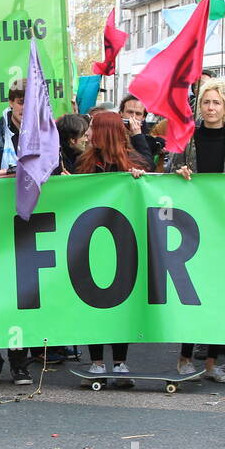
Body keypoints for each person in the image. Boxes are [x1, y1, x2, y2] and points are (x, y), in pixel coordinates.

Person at [166, 78, 225, 383]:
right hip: (191, 225)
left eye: (216, 102)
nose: (211, 107)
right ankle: (185, 356)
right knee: (192, 292)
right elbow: (166, 173)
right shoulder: (185, 138)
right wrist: (178, 173)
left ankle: (213, 362)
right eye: (206, 102)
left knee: (222, 294)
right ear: (199, 106)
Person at [71, 111, 149, 389]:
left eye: (93, 128)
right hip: (91, 241)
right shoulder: (85, 162)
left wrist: (139, 178)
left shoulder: (134, 163)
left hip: (123, 241)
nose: (88, 133)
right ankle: (95, 362)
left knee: (121, 300)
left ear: (105, 132)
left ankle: (119, 361)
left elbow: (150, 185)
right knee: (92, 299)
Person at [120, 94, 166, 167]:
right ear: (121, 113)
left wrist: (137, 136)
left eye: (138, 114)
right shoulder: (112, 135)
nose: (133, 117)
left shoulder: (148, 141)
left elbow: (148, 166)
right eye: (129, 112)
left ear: (143, 118)